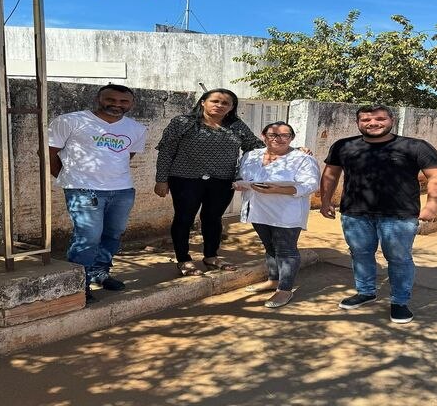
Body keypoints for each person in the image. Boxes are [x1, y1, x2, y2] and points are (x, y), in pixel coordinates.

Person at [319, 104, 437, 324]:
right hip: (355, 213)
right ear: (358, 123)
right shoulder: (343, 146)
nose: (373, 123)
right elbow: (331, 174)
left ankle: (399, 302)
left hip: (399, 215)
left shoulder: (414, 146)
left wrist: (433, 204)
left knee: (398, 258)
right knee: (360, 254)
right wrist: (325, 200)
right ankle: (366, 292)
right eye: (366, 120)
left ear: (391, 120)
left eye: (379, 119)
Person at [48, 84, 147, 304]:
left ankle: (99, 273)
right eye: (111, 100)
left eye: (123, 102)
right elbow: (48, 153)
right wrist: (69, 178)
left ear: (131, 104)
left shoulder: (136, 128)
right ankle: (77, 286)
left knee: (113, 234)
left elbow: (125, 156)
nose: (117, 105)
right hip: (84, 189)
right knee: (88, 238)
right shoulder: (70, 121)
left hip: (122, 190)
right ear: (99, 99)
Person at [154, 88, 264, 276]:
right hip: (185, 178)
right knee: (184, 218)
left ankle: (211, 256)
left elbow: (255, 146)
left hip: (222, 181)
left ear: (231, 107)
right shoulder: (183, 123)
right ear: (203, 102)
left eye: (226, 103)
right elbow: (166, 151)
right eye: (215, 101)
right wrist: (161, 180)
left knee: (213, 219)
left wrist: (292, 150)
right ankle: (184, 260)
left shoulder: (236, 126)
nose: (220, 105)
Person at [235, 121, 320, 308]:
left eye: (284, 135)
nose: (278, 139)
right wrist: (241, 184)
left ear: (292, 138)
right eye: (273, 135)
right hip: (257, 209)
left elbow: (311, 184)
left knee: (286, 250)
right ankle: (273, 280)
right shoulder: (251, 155)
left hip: (286, 212)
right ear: (264, 136)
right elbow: (242, 177)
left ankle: (285, 289)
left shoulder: (302, 158)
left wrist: (277, 190)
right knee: (270, 247)